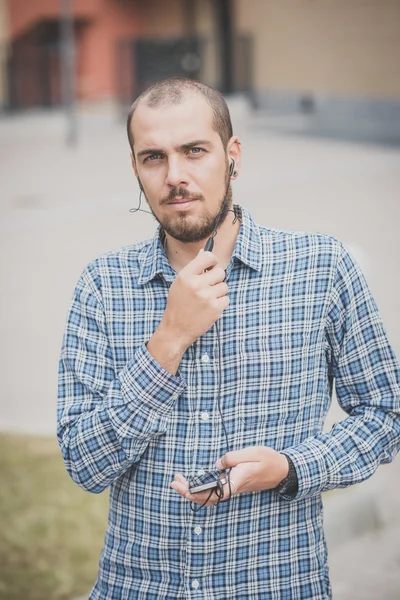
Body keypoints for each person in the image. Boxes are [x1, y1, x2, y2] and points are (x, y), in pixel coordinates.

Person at [57, 78, 400, 599]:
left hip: (278, 585)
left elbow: (385, 415)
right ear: (135, 169)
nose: (176, 176)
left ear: (232, 155)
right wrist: (169, 338)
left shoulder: (321, 269)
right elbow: (84, 464)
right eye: (154, 157)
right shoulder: (102, 286)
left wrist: (291, 468)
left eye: (194, 151)